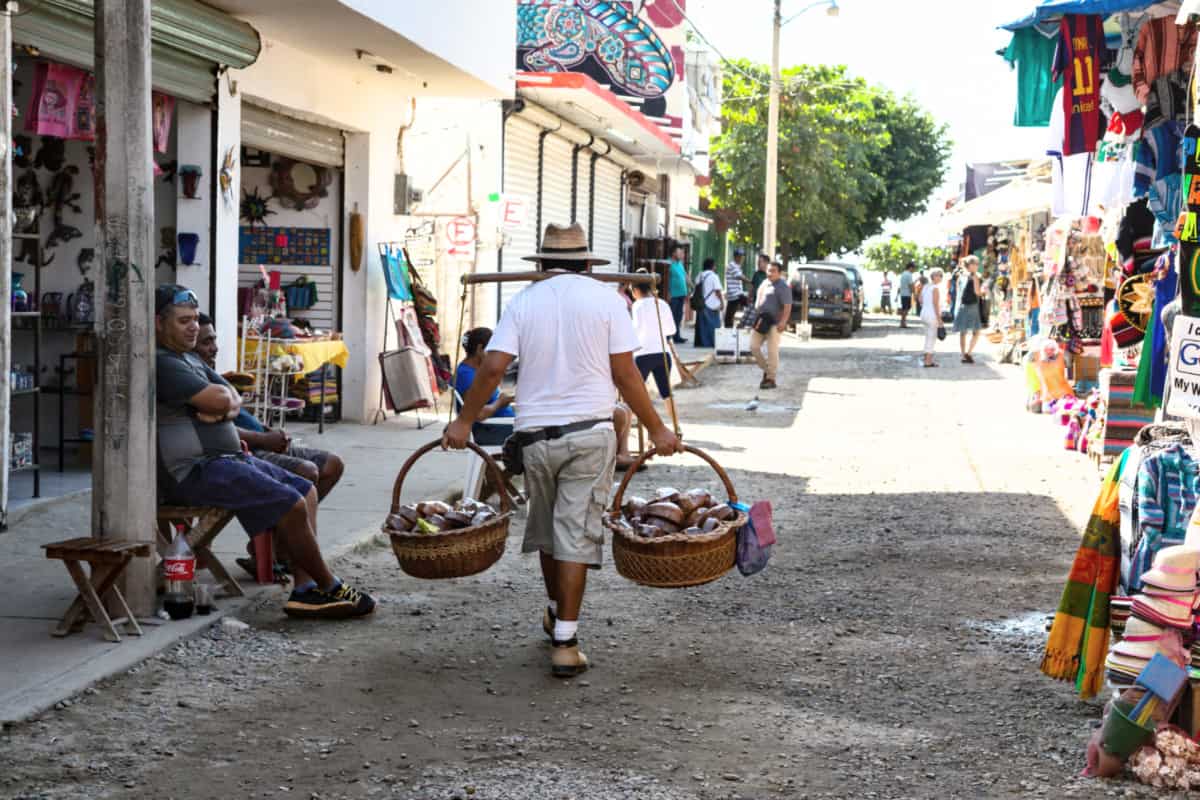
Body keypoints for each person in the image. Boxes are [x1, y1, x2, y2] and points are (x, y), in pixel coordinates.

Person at [442, 223, 682, 677]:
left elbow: (492, 369)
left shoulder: (524, 302)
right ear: (589, 264)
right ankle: (566, 642)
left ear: (542, 264)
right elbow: (627, 375)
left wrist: (462, 420)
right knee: (576, 534)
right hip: (590, 433)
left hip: (534, 437)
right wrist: (659, 429)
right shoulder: (607, 301)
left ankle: (556, 614)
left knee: (552, 534)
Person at [154, 285, 374, 619]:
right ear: (158, 323)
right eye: (184, 320)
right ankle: (329, 584)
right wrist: (219, 404)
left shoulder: (187, 358)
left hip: (226, 461)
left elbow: (230, 394)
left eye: (194, 320)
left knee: (305, 489)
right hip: (196, 470)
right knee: (292, 503)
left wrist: (222, 407)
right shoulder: (165, 362)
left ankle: (303, 591)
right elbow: (220, 399)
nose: (193, 327)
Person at [193, 314, 344, 500]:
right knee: (308, 472)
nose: (214, 349)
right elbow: (215, 430)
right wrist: (263, 438)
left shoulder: (209, 374)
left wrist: (267, 430)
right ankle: (288, 522)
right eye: (206, 343)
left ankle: (289, 525)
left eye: (214, 341)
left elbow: (237, 414)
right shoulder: (193, 385)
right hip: (244, 449)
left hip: (260, 439)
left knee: (333, 465)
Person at [454, 327, 516, 446]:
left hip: (501, 425)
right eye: (492, 351)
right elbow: (477, 413)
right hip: (492, 429)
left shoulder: (474, 372)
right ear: (480, 349)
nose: (495, 356)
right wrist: (500, 402)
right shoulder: (466, 375)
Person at [630, 279, 678, 425]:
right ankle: (677, 426)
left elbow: (635, 331)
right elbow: (672, 330)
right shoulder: (662, 303)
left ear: (636, 290)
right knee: (666, 393)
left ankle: (630, 424)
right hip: (662, 353)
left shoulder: (637, 305)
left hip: (643, 354)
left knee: (634, 393)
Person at [748, 259, 792, 390]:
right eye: (768, 270)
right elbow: (758, 299)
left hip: (775, 323)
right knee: (753, 347)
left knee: (772, 351)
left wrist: (783, 322)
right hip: (761, 320)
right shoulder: (764, 283)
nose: (770, 273)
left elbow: (787, 306)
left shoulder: (783, 286)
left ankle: (770, 379)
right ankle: (768, 370)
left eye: (773, 271)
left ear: (779, 273)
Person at [954, 255, 984, 364]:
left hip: (962, 306)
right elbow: (977, 292)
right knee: (976, 332)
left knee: (963, 332)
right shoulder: (975, 276)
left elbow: (958, 292)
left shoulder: (960, 276)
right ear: (970, 265)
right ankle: (969, 353)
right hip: (972, 306)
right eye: (975, 264)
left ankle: (963, 355)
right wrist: (983, 292)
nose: (977, 266)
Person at [692, 257, 723, 348]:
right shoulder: (714, 276)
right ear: (713, 266)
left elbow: (696, 285)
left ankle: (701, 343)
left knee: (702, 325)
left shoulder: (700, 275)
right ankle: (711, 343)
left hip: (701, 303)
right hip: (711, 304)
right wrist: (722, 303)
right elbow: (717, 291)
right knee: (713, 325)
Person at [920, 269, 945, 368]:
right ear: (934, 276)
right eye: (940, 275)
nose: (941, 277)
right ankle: (928, 361)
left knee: (927, 336)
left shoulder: (926, 286)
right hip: (931, 315)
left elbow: (920, 299)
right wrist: (940, 320)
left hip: (924, 313)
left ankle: (926, 358)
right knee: (932, 337)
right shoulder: (935, 288)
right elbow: (935, 305)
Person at [667, 245, 689, 344]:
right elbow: (666, 279)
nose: (682, 255)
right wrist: (668, 292)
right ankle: (668, 336)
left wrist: (692, 287)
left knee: (679, 316)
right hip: (673, 295)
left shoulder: (680, 264)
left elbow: (685, 276)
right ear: (673, 253)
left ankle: (677, 336)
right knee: (671, 316)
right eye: (679, 252)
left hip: (681, 294)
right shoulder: (668, 263)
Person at [724, 247, 748, 328]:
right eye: (740, 256)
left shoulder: (737, 266)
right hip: (734, 295)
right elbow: (740, 276)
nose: (742, 258)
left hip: (737, 294)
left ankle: (740, 325)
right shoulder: (732, 265)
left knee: (730, 316)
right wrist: (751, 282)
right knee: (729, 317)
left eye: (742, 256)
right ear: (736, 257)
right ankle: (729, 332)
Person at [898, 262, 916, 328]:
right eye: (913, 268)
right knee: (906, 308)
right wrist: (914, 293)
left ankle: (902, 322)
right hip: (907, 294)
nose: (914, 270)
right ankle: (903, 322)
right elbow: (911, 285)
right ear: (910, 267)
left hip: (903, 293)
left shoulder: (903, 274)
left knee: (904, 308)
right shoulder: (909, 274)